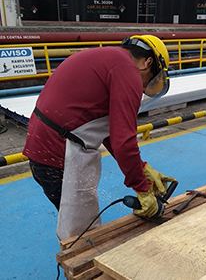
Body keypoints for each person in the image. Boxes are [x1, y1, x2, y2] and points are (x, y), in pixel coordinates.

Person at [23, 34, 176, 240]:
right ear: (148, 63)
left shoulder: (109, 58)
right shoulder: (128, 71)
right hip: (59, 153)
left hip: (44, 149)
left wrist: (142, 168)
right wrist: (142, 190)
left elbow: (108, 132)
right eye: (151, 79)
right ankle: (82, 270)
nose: (142, 88)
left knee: (81, 226)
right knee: (82, 234)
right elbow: (124, 142)